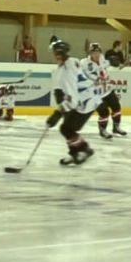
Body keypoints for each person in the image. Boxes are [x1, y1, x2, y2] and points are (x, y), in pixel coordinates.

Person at [47, 38, 101, 166]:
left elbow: (73, 100)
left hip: (85, 102)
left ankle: (82, 151)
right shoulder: (72, 61)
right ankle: (80, 150)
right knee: (67, 128)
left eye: (55, 53)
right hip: (88, 99)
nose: (54, 56)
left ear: (59, 54)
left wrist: (57, 114)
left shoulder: (67, 71)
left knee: (66, 128)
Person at [89, 40, 127, 139]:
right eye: (94, 52)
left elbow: (109, 64)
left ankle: (116, 127)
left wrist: (115, 63)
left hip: (107, 90)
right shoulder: (84, 63)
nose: (96, 54)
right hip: (95, 93)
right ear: (90, 53)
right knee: (104, 112)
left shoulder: (102, 58)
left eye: (98, 52)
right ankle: (102, 130)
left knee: (117, 107)